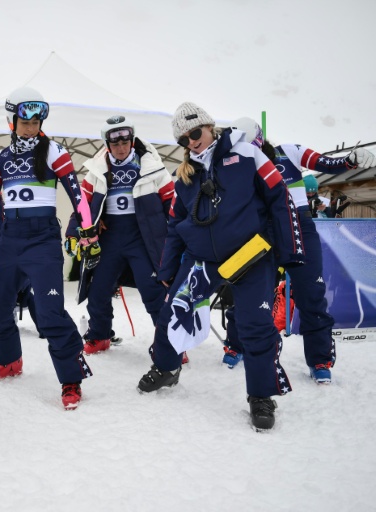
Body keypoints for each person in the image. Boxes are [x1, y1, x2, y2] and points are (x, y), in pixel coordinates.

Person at [136, 102, 304, 431]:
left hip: (250, 255)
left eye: (195, 133)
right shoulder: (183, 177)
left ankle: (261, 395)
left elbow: (279, 199)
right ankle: (167, 368)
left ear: (210, 126)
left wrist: (290, 253)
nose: (191, 142)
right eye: (183, 140)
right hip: (203, 260)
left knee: (255, 324)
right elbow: (175, 225)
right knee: (174, 310)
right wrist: (168, 271)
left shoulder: (247, 155)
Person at [0, 86, 98, 410]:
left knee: (50, 315)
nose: (32, 126)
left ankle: (71, 379)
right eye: (26, 121)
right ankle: (9, 360)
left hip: (42, 239)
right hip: (11, 238)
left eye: (37, 121)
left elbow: (78, 195)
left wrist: (88, 228)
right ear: (12, 120)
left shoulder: (54, 152)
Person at [223, 117, 375, 383]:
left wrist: (350, 160)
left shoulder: (288, 151)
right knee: (250, 289)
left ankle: (320, 360)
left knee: (311, 292)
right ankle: (236, 345)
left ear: (259, 140)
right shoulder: (236, 165)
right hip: (261, 231)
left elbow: (326, 164)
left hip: (298, 225)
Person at [66, 115, 173, 355]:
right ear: (107, 144)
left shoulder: (152, 167)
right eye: (115, 144)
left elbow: (172, 204)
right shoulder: (97, 169)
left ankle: (170, 343)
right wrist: (73, 232)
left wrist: (183, 234)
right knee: (98, 291)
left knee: (153, 290)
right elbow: (83, 204)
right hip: (110, 237)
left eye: (125, 142)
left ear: (132, 141)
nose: (121, 148)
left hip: (141, 238)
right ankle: (100, 335)